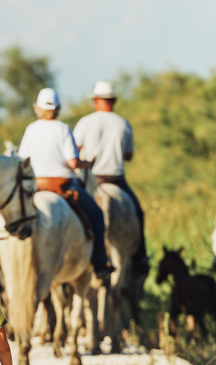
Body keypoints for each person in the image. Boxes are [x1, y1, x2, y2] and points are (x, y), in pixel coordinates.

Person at [18, 88, 114, 280]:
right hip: (63, 185)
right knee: (96, 215)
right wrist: (86, 164)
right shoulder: (63, 128)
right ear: (58, 109)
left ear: (37, 108)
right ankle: (100, 263)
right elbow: (72, 162)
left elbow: (22, 161)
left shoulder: (31, 129)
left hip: (37, 185)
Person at [74, 80, 148, 276]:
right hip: (116, 179)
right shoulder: (124, 124)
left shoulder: (85, 122)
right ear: (113, 100)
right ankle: (140, 258)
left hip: (91, 179)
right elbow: (128, 155)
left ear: (96, 100)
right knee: (138, 213)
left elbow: (75, 151)